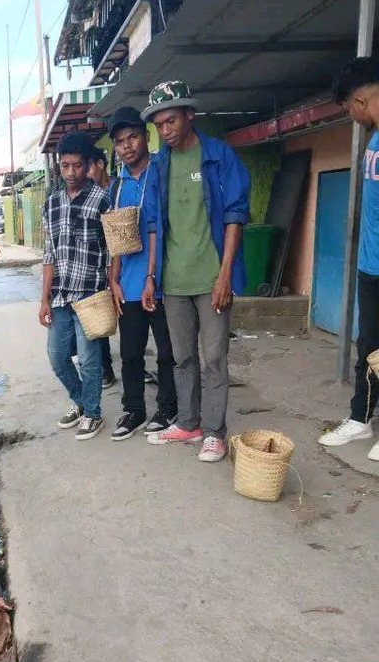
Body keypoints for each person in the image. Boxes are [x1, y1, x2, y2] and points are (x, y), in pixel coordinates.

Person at [142, 81, 250, 462]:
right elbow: (154, 224)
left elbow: (236, 215)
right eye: (158, 125)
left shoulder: (219, 156)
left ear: (190, 114)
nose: (165, 130)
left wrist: (225, 275)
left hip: (210, 279)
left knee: (214, 357)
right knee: (182, 357)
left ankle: (215, 432)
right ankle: (188, 422)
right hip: (174, 282)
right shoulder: (159, 165)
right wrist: (152, 276)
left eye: (170, 120)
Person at [105, 107, 177, 441]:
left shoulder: (164, 171)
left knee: (167, 351)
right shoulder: (117, 187)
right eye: (120, 142)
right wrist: (114, 280)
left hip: (166, 281)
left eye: (133, 137)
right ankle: (134, 409)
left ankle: (168, 407)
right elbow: (115, 237)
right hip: (130, 285)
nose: (127, 145)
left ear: (145, 136)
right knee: (131, 353)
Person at [320, 57, 379, 459]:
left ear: (359, 101)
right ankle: (361, 418)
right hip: (370, 265)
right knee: (369, 348)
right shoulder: (375, 138)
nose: (354, 118)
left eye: (350, 110)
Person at [40, 131, 111, 440]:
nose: (71, 173)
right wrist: (43, 299)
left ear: (88, 165)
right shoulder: (51, 204)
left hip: (91, 294)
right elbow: (49, 254)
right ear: (58, 166)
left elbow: (113, 249)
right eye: (65, 166)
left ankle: (93, 414)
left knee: (89, 359)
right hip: (59, 296)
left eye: (77, 166)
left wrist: (113, 286)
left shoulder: (102, 199)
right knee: (57, 358)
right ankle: (83, 402)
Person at [86, 145, 117, 389]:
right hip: (99, 266)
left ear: (101, 164)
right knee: (100, 321)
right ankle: (106, 369)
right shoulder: (88, 195)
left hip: (122, 263)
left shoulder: (117, 188)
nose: (85, 173)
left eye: (88, 167)